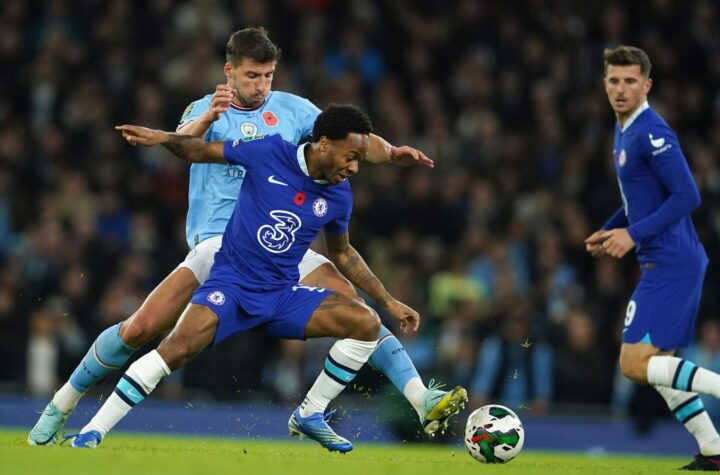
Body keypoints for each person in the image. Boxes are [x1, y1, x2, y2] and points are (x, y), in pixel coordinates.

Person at [28, 27, 466, 446]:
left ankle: (419, 397)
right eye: (252, 75)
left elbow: (346, 137)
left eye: (268, 75)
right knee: (141, 328)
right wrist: (209, 117)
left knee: (351, 300)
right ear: (229, 71)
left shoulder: (293, 109)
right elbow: (181, 147)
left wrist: (391, 152)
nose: (261, 86)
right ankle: (61, 404)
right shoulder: (205, 107)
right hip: (219, 241)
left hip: (277, 241)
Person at [66, 105, 422, 451]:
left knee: (365, 322)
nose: (355, 167)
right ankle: (93, 431)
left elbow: (342, 253)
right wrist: (163, 138)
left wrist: (388, 301)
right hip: (232, 286)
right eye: (351, 156)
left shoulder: (340, 195)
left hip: (282, 295)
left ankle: (310, 413)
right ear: (325, 144)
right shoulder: (269, 151)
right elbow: (200, 150)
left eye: (360, 160)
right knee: (171, 351)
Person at [585, 45, 720, 471]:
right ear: (604, 83)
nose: (620, 89)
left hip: (673, 262)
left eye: (630, 81)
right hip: (663, 261)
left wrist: (632, 234)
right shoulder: (622, 127)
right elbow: (640, 198)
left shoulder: (652, 132)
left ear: (647, 85)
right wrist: (611, 227)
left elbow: (688, 195)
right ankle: (713, 449)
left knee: (633, 364)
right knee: (656, 366)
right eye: (614, 80)